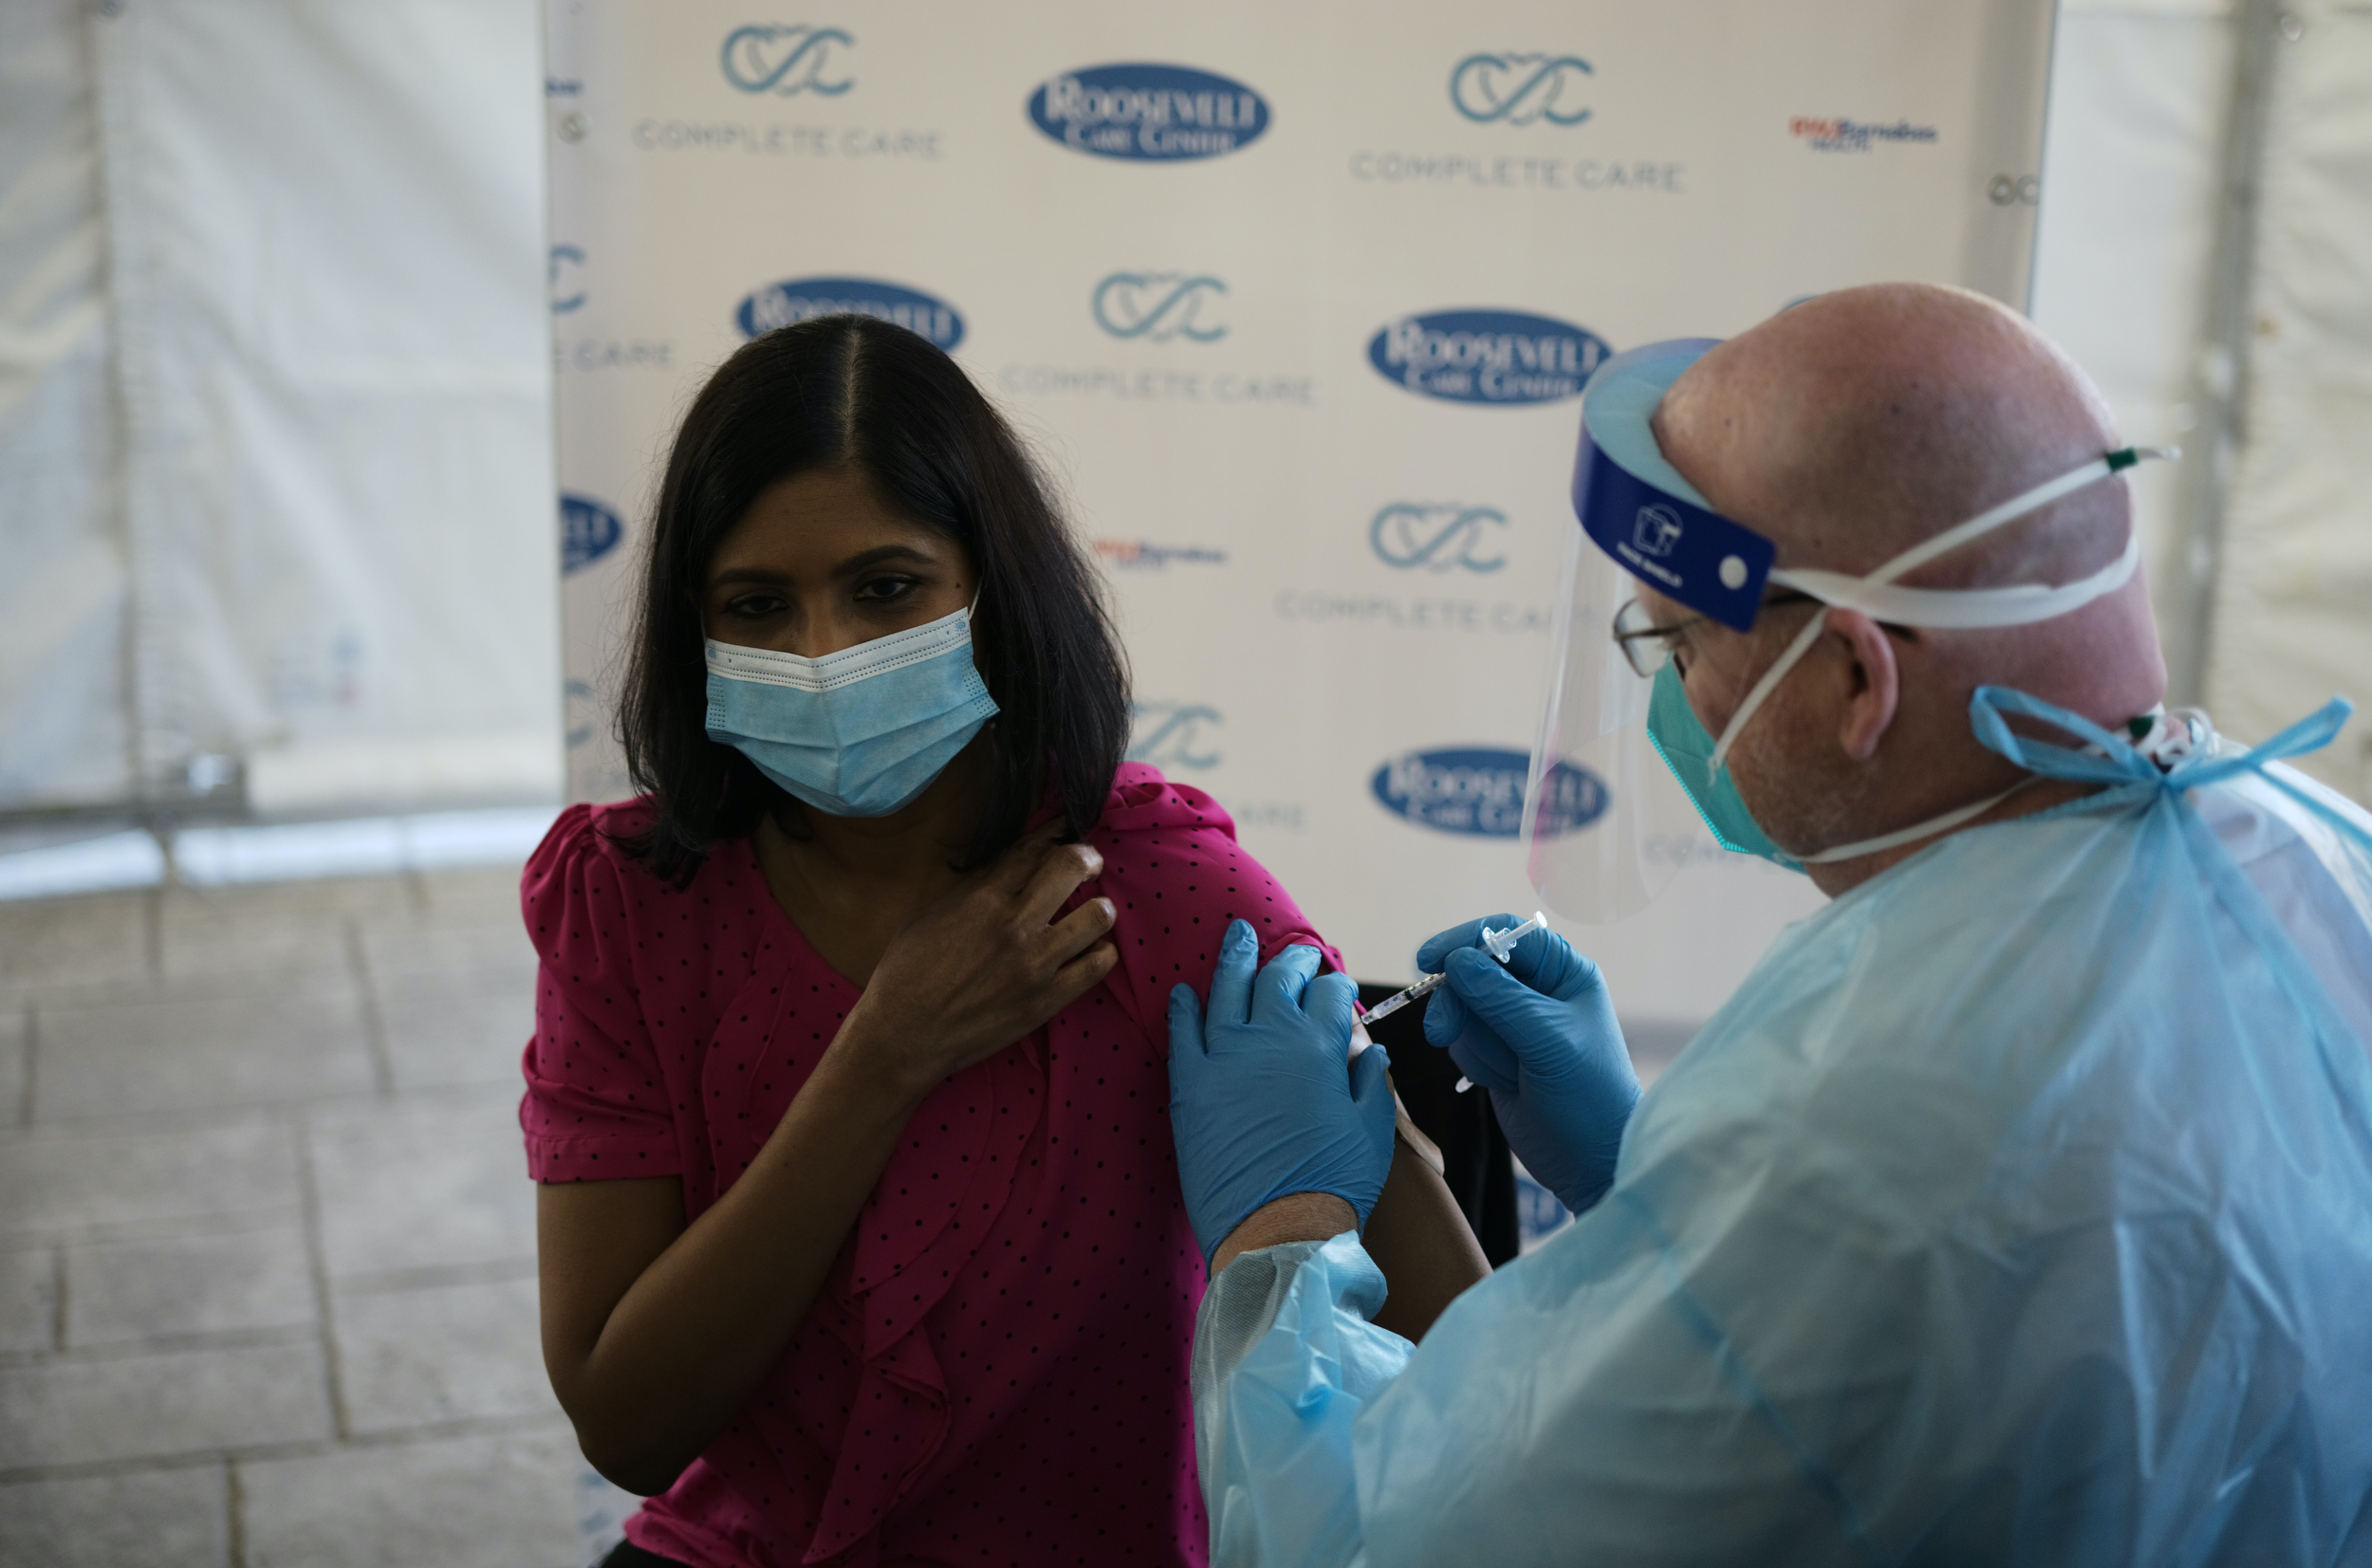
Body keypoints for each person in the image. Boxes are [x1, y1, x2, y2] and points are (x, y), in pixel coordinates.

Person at [1169, 284, 2372, 1564]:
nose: (1671, 699)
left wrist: (1280, 1238)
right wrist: (1655, 1191)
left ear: (1858, 677)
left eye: (1680, 643)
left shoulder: (1854, 1123)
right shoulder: (2313, 853)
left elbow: (1395, 1547)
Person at [518, 315, 1471, 1568]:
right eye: (758, 604)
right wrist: (883, 1057)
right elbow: (627, 1421)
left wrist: (1409, 1150)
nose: (823, 655)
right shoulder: (637, 902)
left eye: (885, 588)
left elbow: (1473, 1373)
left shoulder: (1172, 905)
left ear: (992, 584)